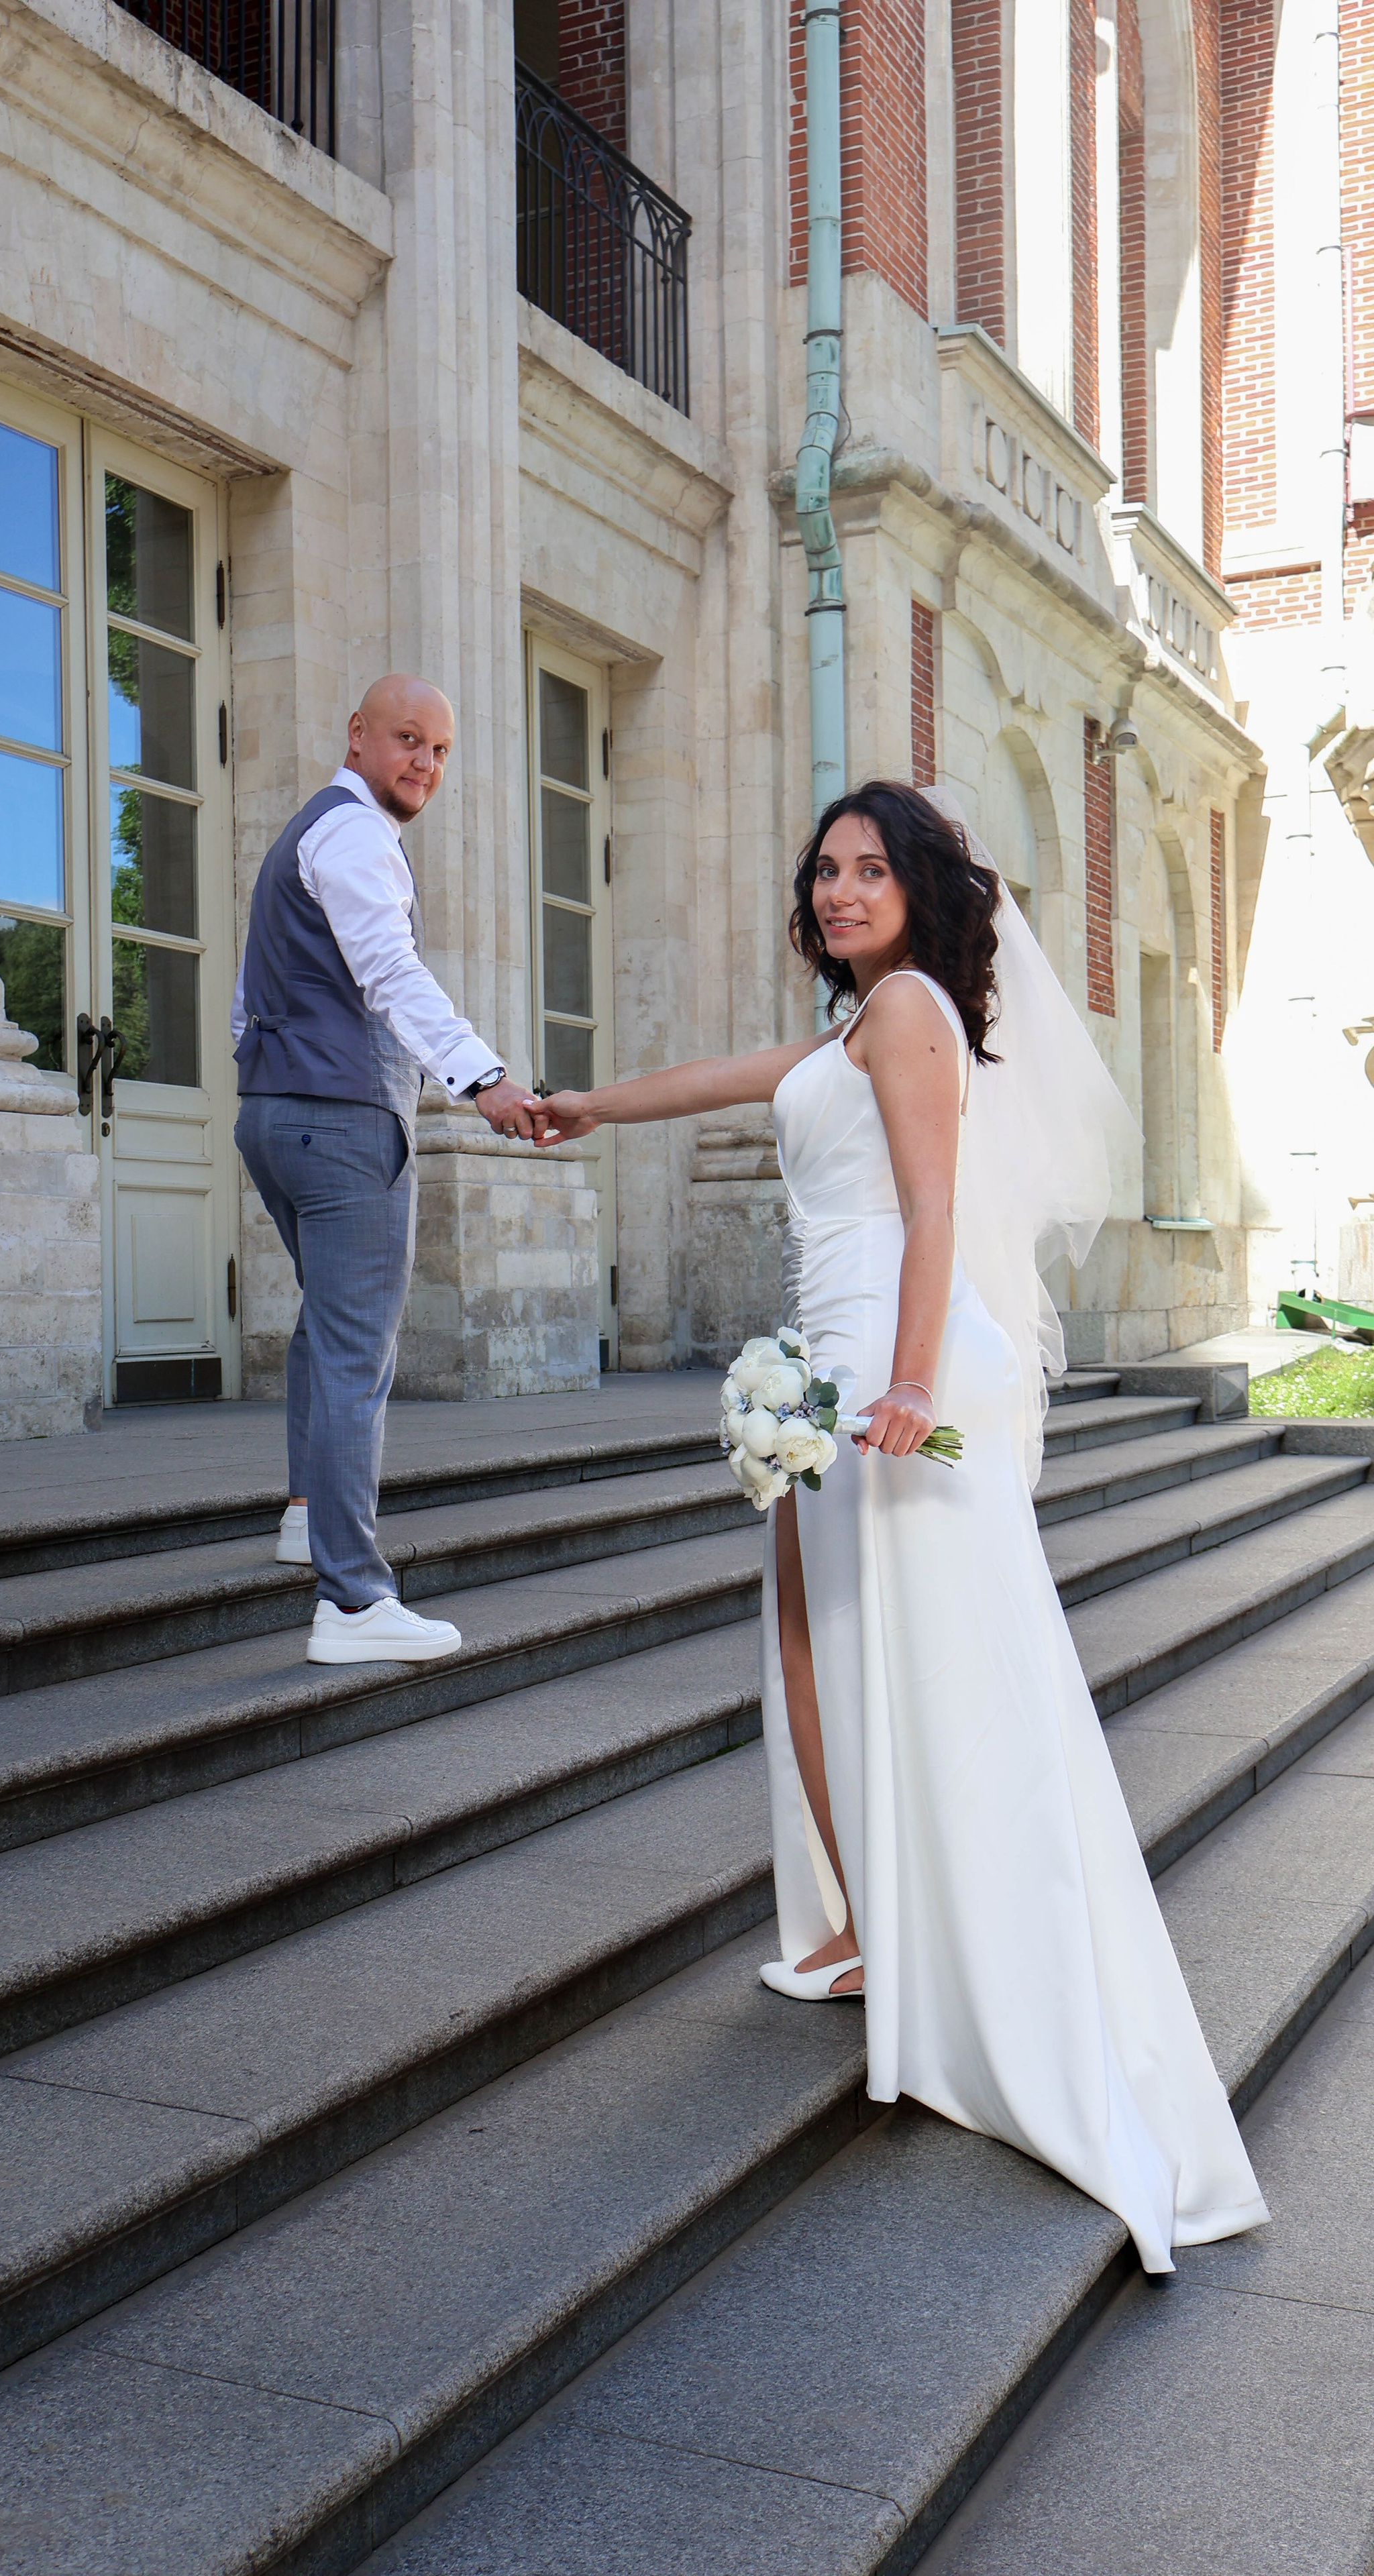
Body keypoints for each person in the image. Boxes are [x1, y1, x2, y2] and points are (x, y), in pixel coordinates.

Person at [537, 780, 1267, 2275]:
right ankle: (876, 1928)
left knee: (937, 1673)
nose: (838, 890)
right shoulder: (849, 1027)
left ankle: (964, 1964)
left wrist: (911, 1380)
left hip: (891, 1376)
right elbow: (735, 1078)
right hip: (832, 1368)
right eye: (822, 871)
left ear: (920, 891)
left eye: (868, 870)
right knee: (809, 1656)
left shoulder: (916, 1009)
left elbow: (932, 1212)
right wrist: (587, 1107)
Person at [233, 675, 543, 1666]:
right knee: (359, 1355)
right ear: (357, 734)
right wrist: (484, 1078)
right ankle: (355, 1604)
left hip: (274, 1116)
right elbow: (391, 973)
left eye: (442, 751)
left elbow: (249, 1001)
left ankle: (301, 1515)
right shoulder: (359, 834)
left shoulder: (303, 834)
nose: (426, 764)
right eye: (409, 740)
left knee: (326, 1328)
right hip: (343, 1121)